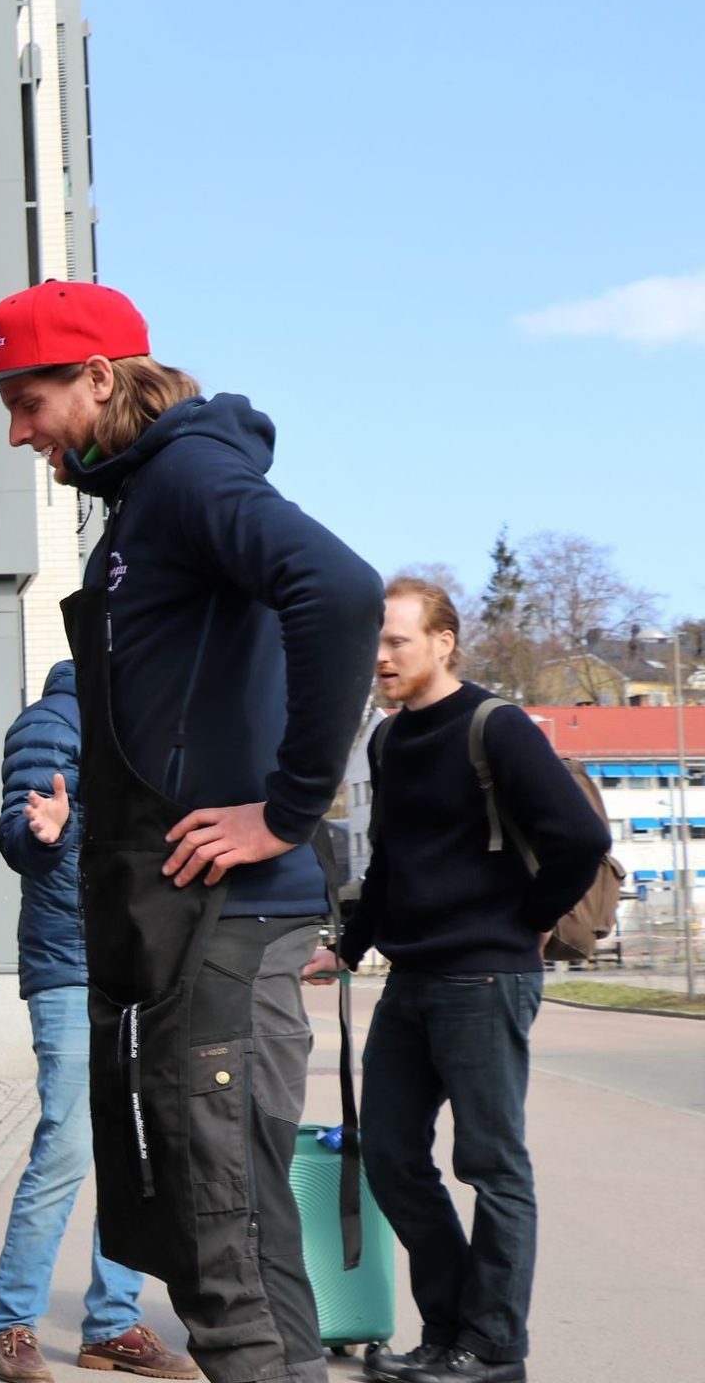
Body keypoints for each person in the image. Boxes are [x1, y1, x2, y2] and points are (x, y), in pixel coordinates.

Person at [0, 280, 381, 1383]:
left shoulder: (189, 474)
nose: (18, 431)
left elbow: (337, 591)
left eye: (28, 398)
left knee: (217, 1246)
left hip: (221, 916)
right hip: (179, 919)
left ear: (99, 377)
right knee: (233, 1233)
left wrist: (287, 810)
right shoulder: (146, 497)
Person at [303, 578, 608, 1383]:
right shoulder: (387, 741)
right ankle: (448, 1332)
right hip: (413, 978)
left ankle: (494, 1346)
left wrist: (529, 919)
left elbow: (580, 837)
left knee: (491, 1165)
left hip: (486, 978)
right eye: (375, 643)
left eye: (396, 641)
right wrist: (351, 945)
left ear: (443, 642)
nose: (380, 657)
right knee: (391, 1155)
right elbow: (392, 865)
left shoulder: (494, 726)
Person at [0, 662, 199, 1382]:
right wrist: (48, 830)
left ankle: (111, 1323)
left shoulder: (133, 719)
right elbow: (21, 835)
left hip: (131, 964)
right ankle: (10, 1324)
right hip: (72, 966)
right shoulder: (55, 721)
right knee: (70, 1148)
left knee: (129, 1152)